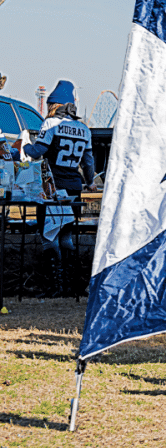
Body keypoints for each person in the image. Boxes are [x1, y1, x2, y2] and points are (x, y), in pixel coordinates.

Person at [16, 80, 96, 297]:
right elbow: (88, 163)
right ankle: (70, 287)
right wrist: (90, 182)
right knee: (66, 236)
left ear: (54, 105)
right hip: (73, 189)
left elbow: (37, 151)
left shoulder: (50, 124)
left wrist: (22, 147)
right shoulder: (84, 129)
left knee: (48, 236)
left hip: (53, 189)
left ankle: (54, 287)